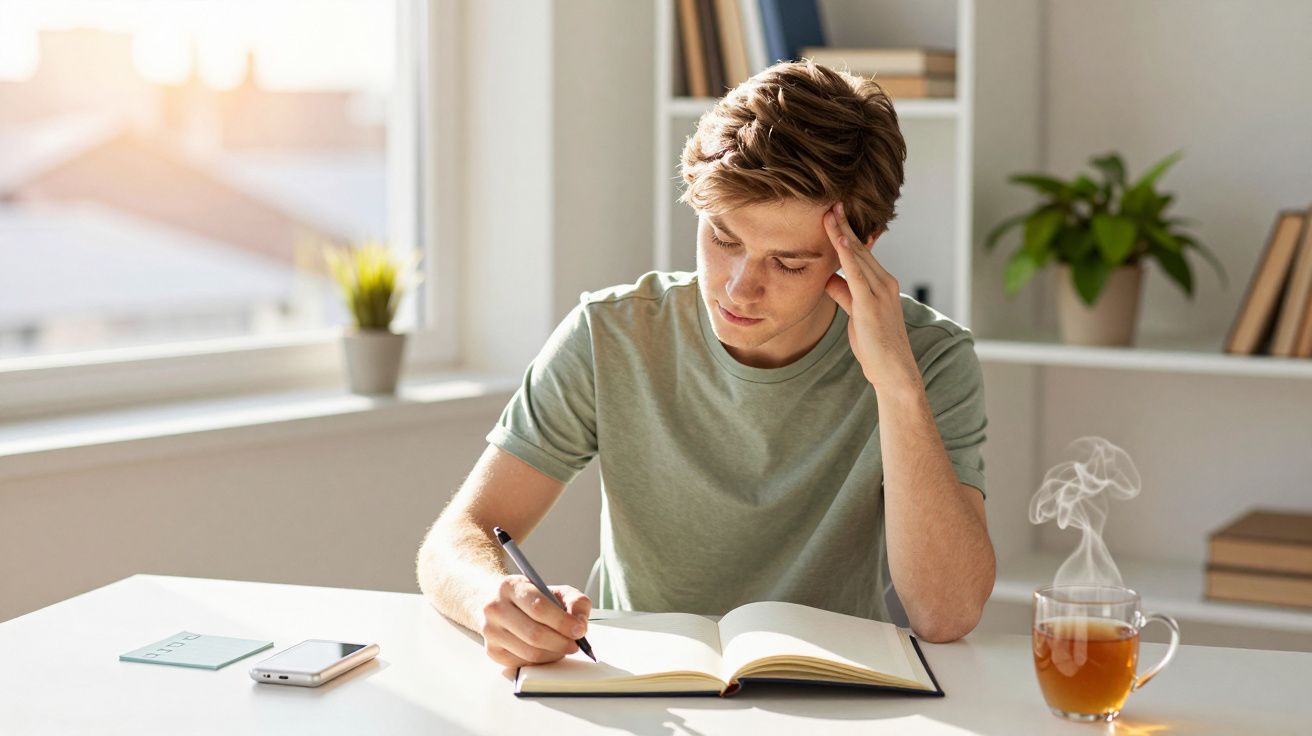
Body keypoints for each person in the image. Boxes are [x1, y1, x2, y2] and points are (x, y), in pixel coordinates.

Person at [416, 60, 994, 670]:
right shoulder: (611, 333)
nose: (740, 289)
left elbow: (945, 613)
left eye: (789, 263)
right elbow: (459, 536)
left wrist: (896, 384)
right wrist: (494, 598)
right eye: (723, 239)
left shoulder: (928, 358)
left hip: (830, 688)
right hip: (638, 686)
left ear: (862, 245)